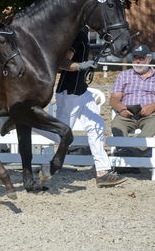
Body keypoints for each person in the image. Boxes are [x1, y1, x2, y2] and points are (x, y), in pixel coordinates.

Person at [35, 27, 125, 186]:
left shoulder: (84, 34)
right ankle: (26, 122)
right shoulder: (76, 34)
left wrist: (87, 64)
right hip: (70, 92)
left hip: (82, 91)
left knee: (97, 126)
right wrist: (80, 66)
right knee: (61, 136)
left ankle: (103, 172)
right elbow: (61, 63)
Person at [110, 44, 155, 159]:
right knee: (117, 124)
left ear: (149, 59)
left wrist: (153, 106)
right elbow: (114, 99)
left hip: (150, 115)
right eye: (135, 57)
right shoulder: (124, 75)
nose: (138, 61)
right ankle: (127, 152)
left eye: (141, 58)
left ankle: (133, 152)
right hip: (127, 113)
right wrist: (121, 108)